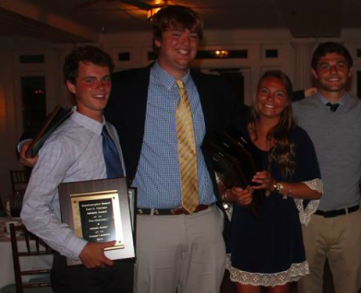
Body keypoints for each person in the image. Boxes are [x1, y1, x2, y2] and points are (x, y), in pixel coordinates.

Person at [20, 5, 246, 293]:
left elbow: (249, 123)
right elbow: (75, 113)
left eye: (192, 36)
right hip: (151, 224)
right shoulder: (125, 86)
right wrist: (28, 142)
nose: (185, 43)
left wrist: (300, 99)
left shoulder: (214, 88)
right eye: (176, 34)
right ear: (157, 41)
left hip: (206, 220)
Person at [20, 46, 133, 293]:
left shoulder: (111, 131)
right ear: (72, 86)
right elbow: (31, 211)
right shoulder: (62, 142)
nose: (101, 88)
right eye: (90, 81)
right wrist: (80, 248)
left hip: (119, 257)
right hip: (78, 265)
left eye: (105, 79)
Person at [223, 70, 323, 293]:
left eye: (279, 94)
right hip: (245, 230)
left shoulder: (298, 138)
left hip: (281, 229)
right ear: (256, 95)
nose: (270, 99)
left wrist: (274, 185)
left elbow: (314, 191)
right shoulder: (236, 135)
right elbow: (220, 186)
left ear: (287, 101)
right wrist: (233, 195)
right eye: (265, 92)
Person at [292, 42, 361, 293]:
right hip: (307, 220)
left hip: (350, 220)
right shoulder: (296, 111)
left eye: (339, 65)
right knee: (306, 289)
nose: (333, 71)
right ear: (315, 72)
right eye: (325, 66)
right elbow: (257, 112)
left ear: (349, 71)